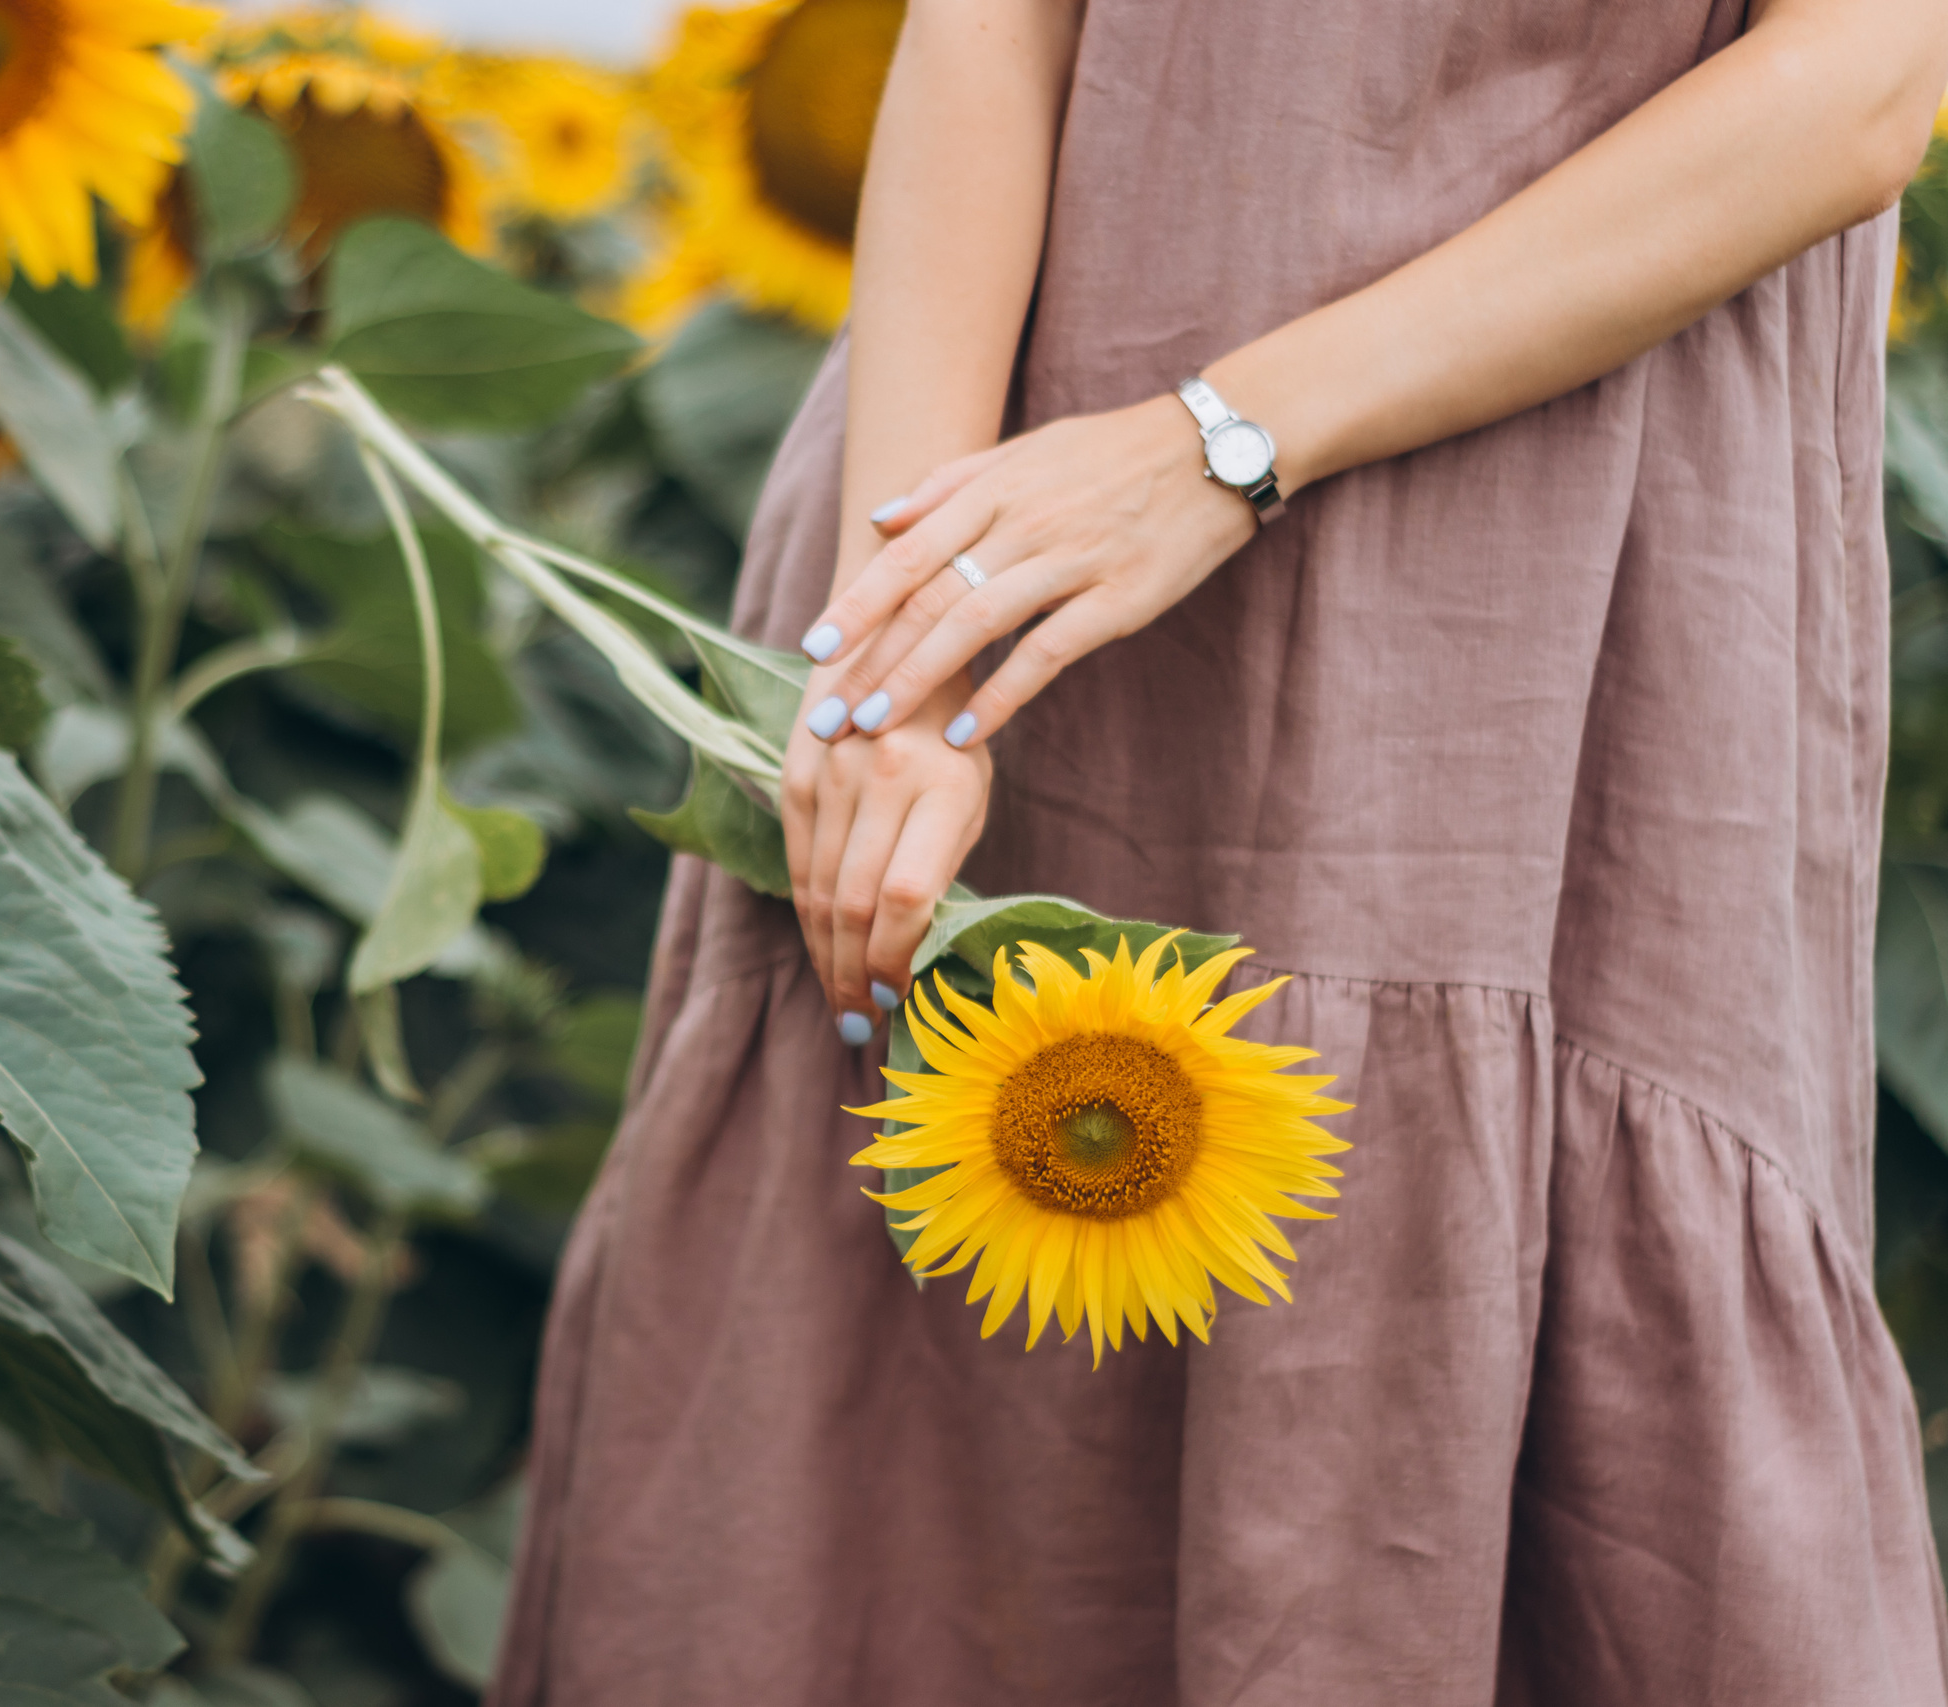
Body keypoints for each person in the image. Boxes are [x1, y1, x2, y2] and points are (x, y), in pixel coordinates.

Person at [491, 0, 1948, 1700]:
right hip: (1013, 541)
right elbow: (985, 33)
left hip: (1537, 623)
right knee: (888, 1452)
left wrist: (1217, 442)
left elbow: (1860, 85)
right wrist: (901, 642)